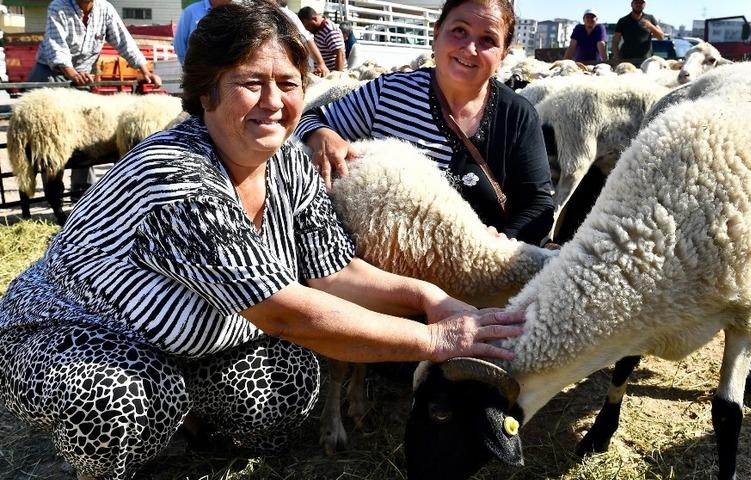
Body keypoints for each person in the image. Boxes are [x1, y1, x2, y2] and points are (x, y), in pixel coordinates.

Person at [0, 2, 523, 479]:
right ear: (207, 90)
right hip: (72, 332)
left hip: (198, 337)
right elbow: (284, 314)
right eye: (252, 81)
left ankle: (188, 415)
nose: (274, 102)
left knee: (291, 386)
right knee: (126, 403)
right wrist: (434, 341)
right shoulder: (176, 178)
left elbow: (332, 272)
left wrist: (428, 298)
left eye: (289, 83)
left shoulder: (291, 162)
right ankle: (100, 463)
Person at [296, 0, 555, 246]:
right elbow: (311, 118)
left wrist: (498, 247)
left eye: (488, 40)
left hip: (477, 279)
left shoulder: (517, 115)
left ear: (504, 54)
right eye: (459, 31)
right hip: (381, 271)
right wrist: (323, 135)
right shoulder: (389, 93)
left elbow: (537, 205)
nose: (470, 48)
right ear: (437, 33)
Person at [28, 0, 162, 194]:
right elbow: (56, 46)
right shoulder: (58, 7)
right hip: (52, 75)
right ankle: (52, 192)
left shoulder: (104, 9)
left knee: (87, 132)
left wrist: (144, 70)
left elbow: (123, 40)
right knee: (51, 135)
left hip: (81, 78)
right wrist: (72, 74)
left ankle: (82, 192)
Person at [173, 0, 231, 64]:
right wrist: (188, 67)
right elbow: (179, 43)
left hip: (223, 69)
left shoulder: (232, 13)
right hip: (196, 69)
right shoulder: (191, 12)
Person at [611, 0, 665, 66]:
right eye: (636, 2)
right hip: (626, 60)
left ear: (644, 5)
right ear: (631, 4)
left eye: (641, 2)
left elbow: (661, 37)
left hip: (645, 61)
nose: (638, 4)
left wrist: (650, 26)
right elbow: (615, 41)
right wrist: (617, 57)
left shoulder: (650, 18)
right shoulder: (623, 21)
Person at [298, 6, 346, 72]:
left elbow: (340, 53)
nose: (307, 29)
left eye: (308, 26)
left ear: (314, 19)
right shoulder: (318, 30)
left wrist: (336, 76)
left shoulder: (329, 30)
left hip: (332, 76)